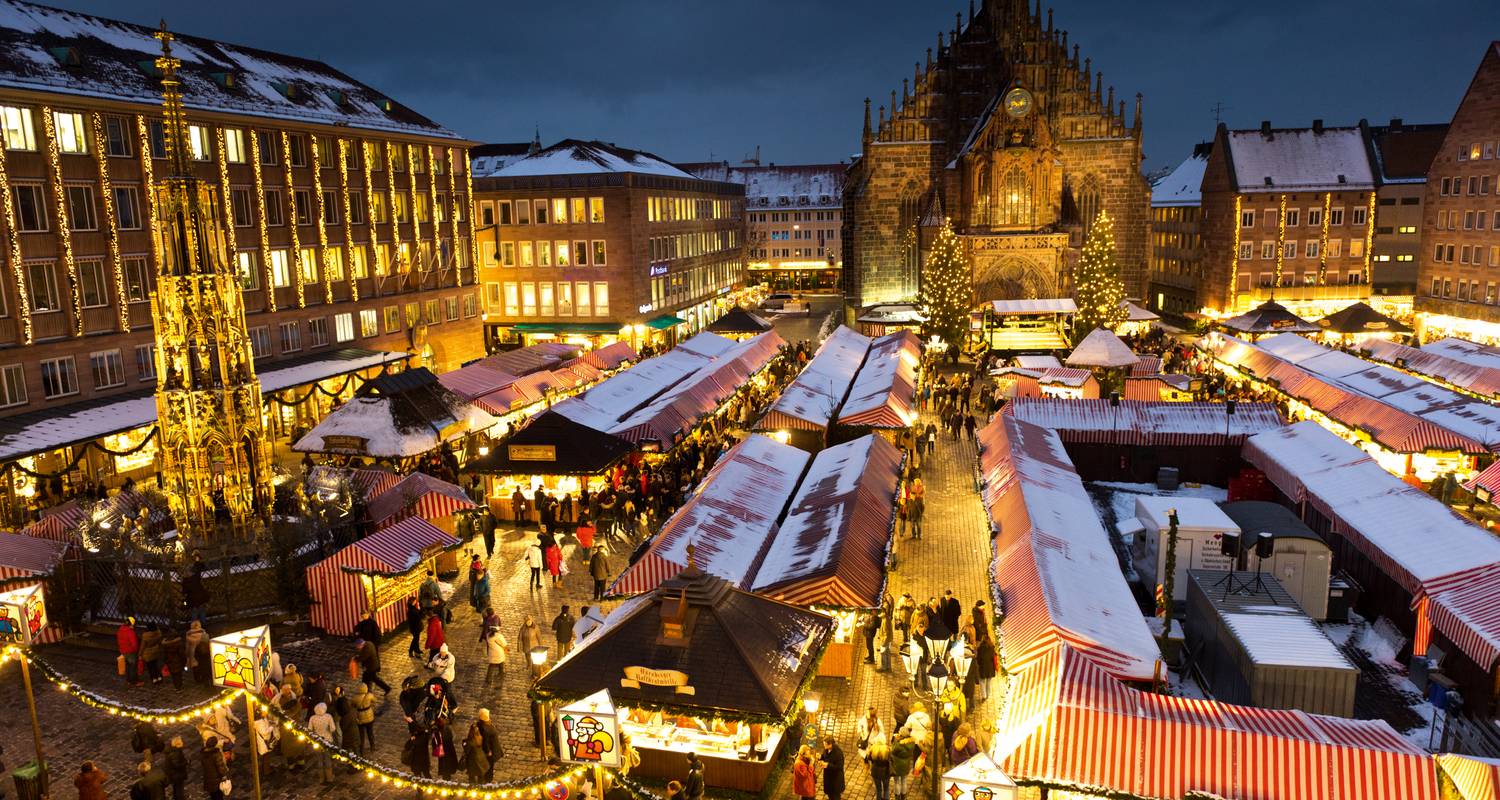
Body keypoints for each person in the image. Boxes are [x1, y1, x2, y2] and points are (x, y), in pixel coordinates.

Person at [307, 702, 338, 784]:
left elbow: (309, 730)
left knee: (319, 759)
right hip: (327, 740)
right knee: (327, 758)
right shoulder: (328, 716)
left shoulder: (312, 718)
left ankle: (321, 778)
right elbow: (333, 729)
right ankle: (329, 777)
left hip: (317, 741)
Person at [475, 708, 503, 782]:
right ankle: (487, 780)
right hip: (490, 752)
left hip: (487, 751)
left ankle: (483, 778)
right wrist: (488, 752)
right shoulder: (486, 728)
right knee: (489, 767)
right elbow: (486, 742)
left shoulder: (481, 724)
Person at [463, 721, 490, 785]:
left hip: (473, 761)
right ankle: (481, 787)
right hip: (481, 759)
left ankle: (472, 788)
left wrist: (464, 743)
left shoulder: (470, 742)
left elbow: (466, 750)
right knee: (480, 775)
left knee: (471, 777)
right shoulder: (480, 738)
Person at [890, 734, 916, 800]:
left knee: (896, 782)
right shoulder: (911, 743)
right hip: (906, 766)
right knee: (904, 781)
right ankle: (903, 797)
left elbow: (892, 750)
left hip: (897, 766)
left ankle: (897, 798)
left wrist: (895, 740)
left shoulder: (898, 745)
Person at [352, 682, 376, 752]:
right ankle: (372, 746)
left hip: (360, 717)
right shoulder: (369, 695)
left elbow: (352, 705)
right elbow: (375, 701)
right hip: (369, 717)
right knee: (370, 732)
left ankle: (361, 748)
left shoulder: (355, 698)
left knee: (361, 734)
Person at [484, 622, 508, 688]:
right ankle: (501, 673)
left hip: (492, 653)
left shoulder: (488, 635)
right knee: (501, 662)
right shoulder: (499, 636)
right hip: (499, 652)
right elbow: (504, 644)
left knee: (491, 665)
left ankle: (488, 679)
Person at [117, 617, 140, 686]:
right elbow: (134, 644)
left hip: (123, 651)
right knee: (133, 667)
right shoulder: (130, 632)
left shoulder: (120, 630)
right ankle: (134, 682)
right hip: (130, 651)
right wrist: (136, 651)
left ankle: (129, 680)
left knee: (128, 666)